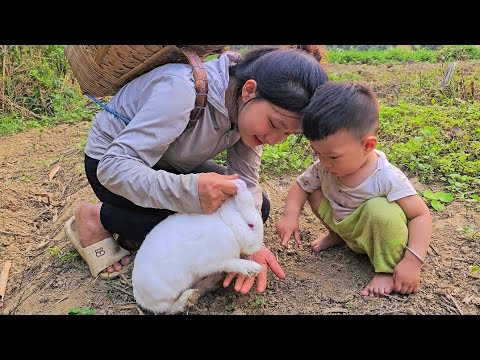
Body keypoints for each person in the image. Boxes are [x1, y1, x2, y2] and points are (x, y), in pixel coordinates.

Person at [65, 45, 329, 295]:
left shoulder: (246, 111)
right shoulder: (181, 90)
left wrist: (253, 246)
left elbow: (247, 183)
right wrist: (190, 191)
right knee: (196, 231)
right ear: (249, 90)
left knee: (258, 208)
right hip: (111, 166)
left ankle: (134, 229)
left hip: (169, 163)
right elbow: (113, 168)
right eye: (274, 124)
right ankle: (97, 217)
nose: (274, 139)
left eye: (287, 134)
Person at [276, 81, 432, 297]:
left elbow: (421, 215)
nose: (324, 162)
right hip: (347, 227)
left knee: (380, 210)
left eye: (332, 156)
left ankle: (386, 268)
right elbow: (300, 186)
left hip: (378, 234)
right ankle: (337, 235)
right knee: (313, 191)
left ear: (367, 145)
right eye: (317, 153)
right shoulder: (324, 167)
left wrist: (413, 262)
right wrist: (289, 216)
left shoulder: (386, 176)